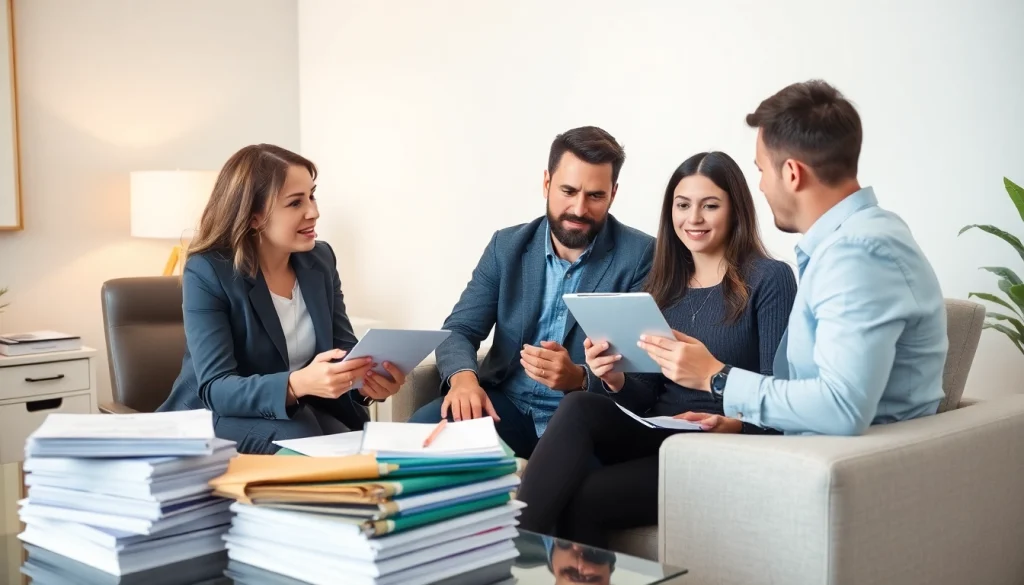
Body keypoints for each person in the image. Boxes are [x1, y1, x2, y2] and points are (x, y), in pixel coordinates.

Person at [516, 151, 797, 546]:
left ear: (736, 210)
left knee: (583, 495)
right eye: (682, 206)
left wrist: (735, 424)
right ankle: (509, 554)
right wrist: (613, 379)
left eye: (710, 205)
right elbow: (645, 395)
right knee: (578, 404)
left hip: (719, 444)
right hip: (657, 431)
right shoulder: (662, 285)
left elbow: (780, 397)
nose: (693, 218)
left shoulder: (770, 279)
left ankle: (516, 560)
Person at [407, 126, 656, 459]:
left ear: (613, 194)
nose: (579, 209)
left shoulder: (641, 256)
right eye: (568, 190)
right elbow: (459, 330)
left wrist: (579, 378)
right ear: (546, 184)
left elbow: (641, 374)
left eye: (595, 196)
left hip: (581, 417)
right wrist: (464, 380)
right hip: (505, 406)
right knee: (416, 435)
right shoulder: (506, 247)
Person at [158, 144, 405, 454]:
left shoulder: (321, 260)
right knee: (306, 438)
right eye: (295, 203)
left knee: (359, 445)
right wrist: (297, 384)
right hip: (218, 415)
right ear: (254, 217)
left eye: (312, 196)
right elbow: (216, 388)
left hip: (301, 412)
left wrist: (367, 385)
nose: (313, 211)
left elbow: (343, 353)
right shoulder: (208, 271)